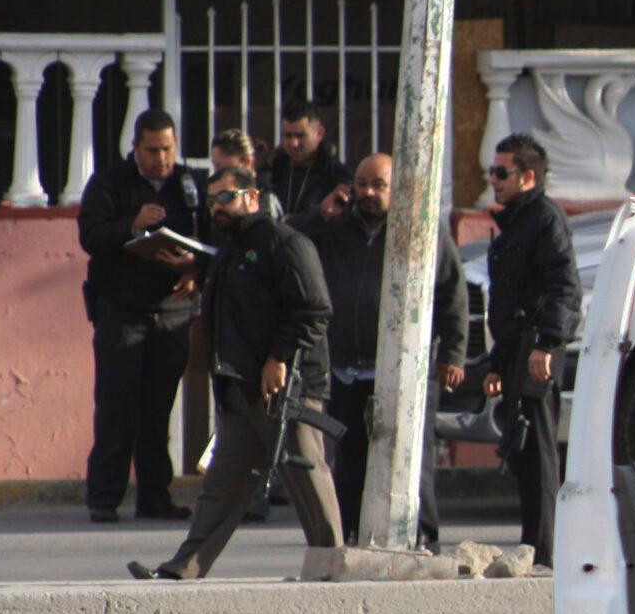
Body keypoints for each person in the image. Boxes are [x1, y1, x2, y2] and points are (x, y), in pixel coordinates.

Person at [127, 165, 344, 580]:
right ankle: (184, 567)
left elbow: (314, 310)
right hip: (239, 388)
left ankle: (333, 566)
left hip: (285, 387)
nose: (218, 207)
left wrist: (278, 358)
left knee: (305, 474)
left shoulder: (285, 244)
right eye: (212, 201)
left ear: (252, 197)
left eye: (226, 197)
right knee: (222, 486)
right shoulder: (228, 250)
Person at [303, 153, 468, 546]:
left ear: (398, 188)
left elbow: (452, 293)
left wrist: (453, 354)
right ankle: (350, 537)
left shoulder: (421, 228)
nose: (368, 193)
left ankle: (421, 538)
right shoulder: (334, 229)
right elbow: (290, 239)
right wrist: (321, 214)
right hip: (346, 369)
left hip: (403, 369)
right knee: (349, 461)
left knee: (410, 457)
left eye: (378, 185)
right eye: (361, 184)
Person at [77, 109, 206, 523]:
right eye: (152, 150)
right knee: (117, 407)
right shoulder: (109, 182)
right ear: (135, 147)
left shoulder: (189, 184)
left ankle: (155, 497)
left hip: (172, 312)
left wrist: (195, 270)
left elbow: (210, 239)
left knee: (158, 409)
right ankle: (104, 497)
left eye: (167, 149)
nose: (161, 159)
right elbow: (91, 236)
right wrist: (131, 225)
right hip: (122, 312)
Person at [482, 134, 580, 567]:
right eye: (493, 171)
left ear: (527, 177)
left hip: (537, 351)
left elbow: (565, 288)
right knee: (521, 452)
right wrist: (497, 364)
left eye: (501, 172)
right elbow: (507, 300)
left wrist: (546, 344)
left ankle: (545, 552)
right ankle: (532, 544)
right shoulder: (516, 221)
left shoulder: (544, 218)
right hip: (517, 351)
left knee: (539, 453)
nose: (493, 179)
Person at [263, 99, 351, 222]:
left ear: (319, 133)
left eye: (300, 136)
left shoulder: (337, 176)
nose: (293, 143)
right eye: (288, 136)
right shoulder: (270, 171)